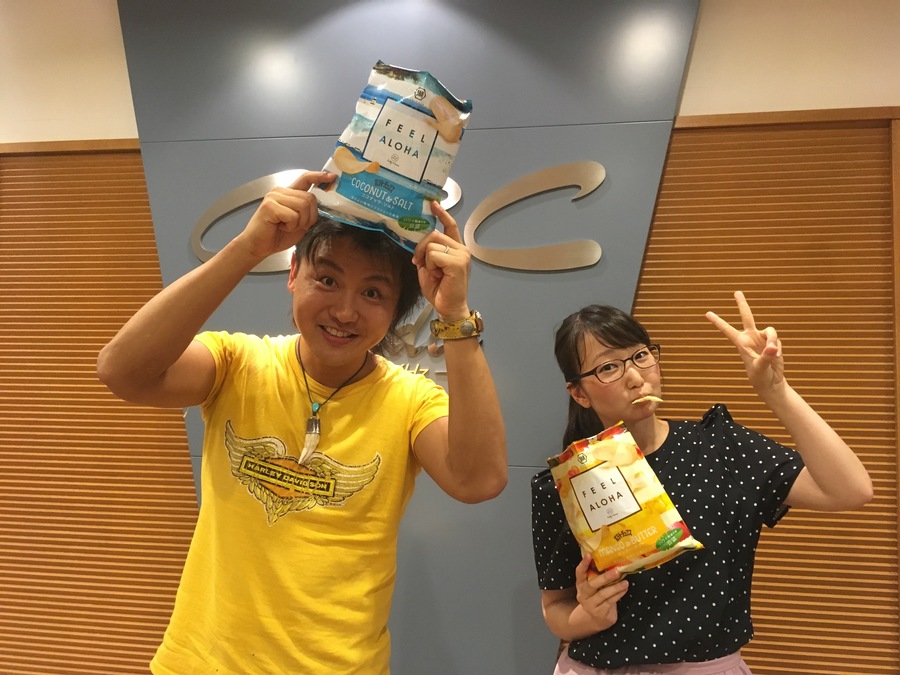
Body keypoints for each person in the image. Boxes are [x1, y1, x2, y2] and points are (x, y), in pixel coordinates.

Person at [96, 170, 507, 674]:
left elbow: (478, 480)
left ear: (395, 312)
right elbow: (121, 371)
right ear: (293, 274)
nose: (345, 311)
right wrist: (247, 248)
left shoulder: (410, 400)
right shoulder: (236, 363)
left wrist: (456, 314)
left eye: (373, 293)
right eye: (327, 280)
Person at [530, 292, 873, 675]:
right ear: (579, 393)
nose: (635, 377)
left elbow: (851, 490)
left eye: (640, 356)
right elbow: (555, 607)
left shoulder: (720, 445)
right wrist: (589, 617)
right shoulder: (568, 483)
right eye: (608, 367)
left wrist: (776, 390)